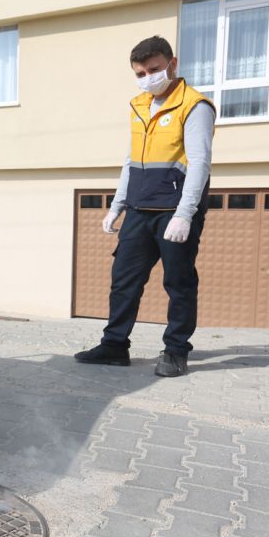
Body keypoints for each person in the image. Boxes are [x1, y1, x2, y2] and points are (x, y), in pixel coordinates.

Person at [75, 36, 214, 377]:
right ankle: (114, 345)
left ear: (172, 64)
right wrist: (117, 205)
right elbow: (130, 160)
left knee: (178, 283)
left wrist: (184, 214)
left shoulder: (194, 105)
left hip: (173, 211)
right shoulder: (138, 105)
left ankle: (176, 350)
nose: (148, 77)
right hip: (139, 209)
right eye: (140, 72)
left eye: (154, 70)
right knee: (123, 280)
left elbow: (199, 163)